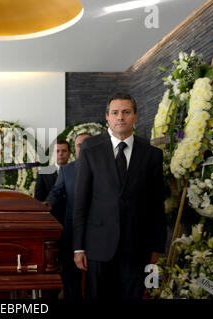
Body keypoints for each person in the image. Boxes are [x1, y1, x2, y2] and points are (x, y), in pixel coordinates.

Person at [73, 93, 166, 300]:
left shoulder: (152, 154)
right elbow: (81, 201)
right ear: (107, 117)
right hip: (98, 248)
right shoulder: (91, 148)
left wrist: (157, 247)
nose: (120, 117)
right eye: (115, 112)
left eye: (126, 112)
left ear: (135, 116)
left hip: (137, 248)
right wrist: (78, 247)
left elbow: (156, 205)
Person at [46, 134, 90, 300]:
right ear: (76, 149)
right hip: (72, 235)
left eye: (87, 144)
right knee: (71, 281)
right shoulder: (67, 170)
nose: (83, 148)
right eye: (79, 145)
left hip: (100, 236)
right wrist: (46, 205)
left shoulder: (107, 168)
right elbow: (55, 194)